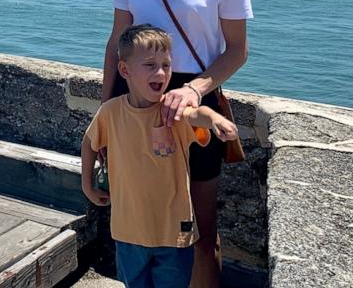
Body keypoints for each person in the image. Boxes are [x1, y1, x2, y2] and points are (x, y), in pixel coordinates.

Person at [102, 0, 252, 288]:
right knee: (141, 224)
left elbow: (237, 50)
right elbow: (116, 43)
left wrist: (195, 90)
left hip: (194, 101)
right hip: (133, 103)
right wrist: (108, 113)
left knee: (199, 230)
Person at [83, 25, 238, 288]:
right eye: (150, 65)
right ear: (125, 71)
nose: (161, 73)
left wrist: (214, 119)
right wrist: (87, 184)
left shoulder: (172, 111)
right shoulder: (111, 112)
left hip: (174, 232)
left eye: (166, 65)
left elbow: (195, 114)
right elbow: (89, 142)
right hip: (128, 230)